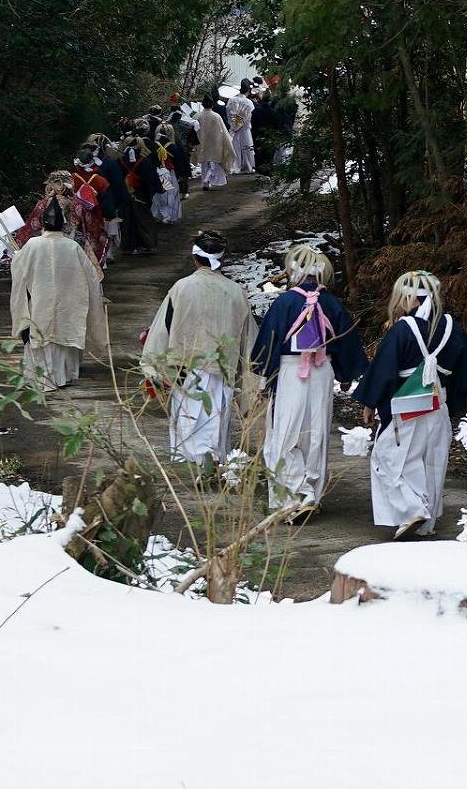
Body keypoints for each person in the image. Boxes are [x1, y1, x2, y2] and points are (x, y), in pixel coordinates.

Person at [354, 271, 467, 539]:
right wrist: (461, 405)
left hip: (405, 404)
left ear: (411, 298)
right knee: (432, 461)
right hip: (438, 403)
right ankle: (425, 523)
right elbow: (466, 371)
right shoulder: (451, 327)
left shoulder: (403, 328)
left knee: (389, 457)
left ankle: (411, 510)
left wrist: (370, 402)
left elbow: (384, 369)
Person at [251, 245, 365, 518]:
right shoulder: (332, 303)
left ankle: (294, 494)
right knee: (316, 432)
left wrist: (263, 379)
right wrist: (345, 375)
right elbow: (346, 342)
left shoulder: (285, 303)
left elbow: (269, 342)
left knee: (286, 433)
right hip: (322, 371)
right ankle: (311, 491)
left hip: (290, 372)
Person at [142, 231, 254, 466]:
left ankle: (188, 466)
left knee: (187, 420)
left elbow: (163, 329)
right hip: (222, 368)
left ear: (194, 257)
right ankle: (212, 465)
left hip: (185, 368)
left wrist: (153, 366)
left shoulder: (181, 287)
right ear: (222, 257)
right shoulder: (235, 291)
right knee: (215, 421)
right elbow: (249, 338)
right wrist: (251, 377)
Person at [9, 200, 107, 390]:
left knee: (42, 335)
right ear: (63, 224)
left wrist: (16, 257)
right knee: (64, 334)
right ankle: (64, 375)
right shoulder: (72, 247)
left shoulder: (32, 245)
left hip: (40, 302)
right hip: (67, 303)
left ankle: (43, 378)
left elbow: (19, 268)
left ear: (43, 223)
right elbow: (91, 277)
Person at [118, 131, 160, 254]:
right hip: (141, 194)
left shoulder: (120, 161)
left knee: (127, 221)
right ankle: (147, 244)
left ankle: (128, 246)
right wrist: (153, 192)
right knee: (144, 220)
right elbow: (151, 179)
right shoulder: (145, 161)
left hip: (125, 194)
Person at [195, 93, 234, 188]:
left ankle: (205, 182)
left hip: (201, 143)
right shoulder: (216, 116)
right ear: (212, 105)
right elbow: (223, 131)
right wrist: (228, 142)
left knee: (204, 164)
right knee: (214, 164)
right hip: (215, 143)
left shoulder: (197, 116)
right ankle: (209, 180)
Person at [152, 124, 184, 224]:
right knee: (171, 194)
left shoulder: (153, 145)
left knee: (158, 195)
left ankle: (159, 215)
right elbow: (178, 162)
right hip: (170, 173)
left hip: (157, 172)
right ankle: (169, 216)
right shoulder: (172, 146)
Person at [228, 83, 256, 175]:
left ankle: (235, 167)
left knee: (235, 148)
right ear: (248, 91)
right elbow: (248, 115)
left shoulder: (231, 100)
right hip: (245, 128)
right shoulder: (248, 103)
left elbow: (229, 114)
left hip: (233, 127)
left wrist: (233, 125)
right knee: (247, 148)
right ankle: (248, 166)